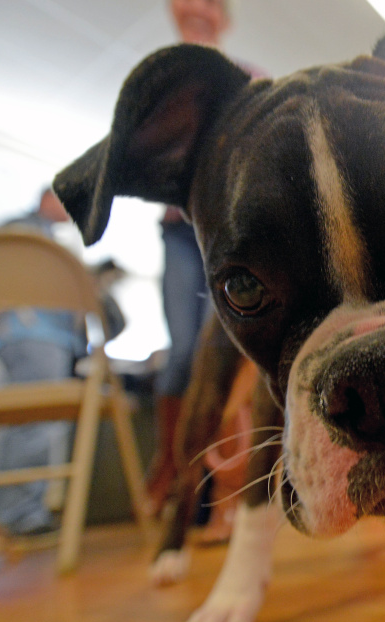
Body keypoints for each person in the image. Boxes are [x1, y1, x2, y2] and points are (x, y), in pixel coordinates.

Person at [144, 0, 262, 518]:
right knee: (183, 353)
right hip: (178, 233)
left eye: (212, 2)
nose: (198, 7)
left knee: (234, 351)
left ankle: (227, 492)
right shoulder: (153, 86)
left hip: (228, 228)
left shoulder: (249, 76)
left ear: (226, 18)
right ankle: (176, 469)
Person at [0, 188, 87, 535]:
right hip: (33, 334)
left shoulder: (39, 237)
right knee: (33, 424)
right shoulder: (25, 234)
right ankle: (20, 515)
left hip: (39, 337)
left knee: (29, 424)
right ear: (47, 199)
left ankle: (15, 511)